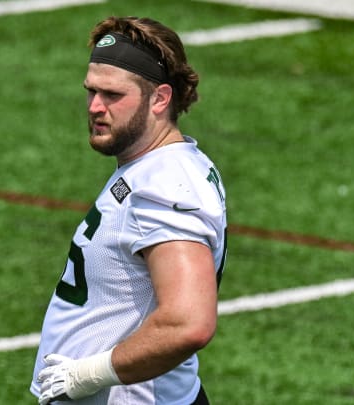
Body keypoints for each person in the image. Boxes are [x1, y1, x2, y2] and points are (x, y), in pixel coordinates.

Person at [30, 16, 228, 405]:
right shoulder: (153, 168)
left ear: (160, 98)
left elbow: (190, 323)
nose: (95, 107)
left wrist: (88, 374)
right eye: (90, 92)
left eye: (112, 95)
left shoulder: (165, 185)